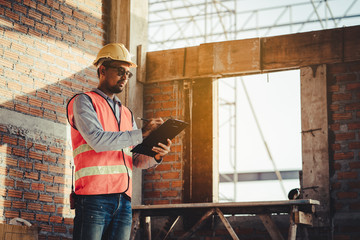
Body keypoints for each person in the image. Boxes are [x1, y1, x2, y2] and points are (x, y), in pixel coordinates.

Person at [66, 43, 172, 240]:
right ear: (103, 70)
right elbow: (97, 140)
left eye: (128, 74)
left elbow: (136, 159)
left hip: (123, 200)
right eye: (120, 71)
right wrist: (143, 133)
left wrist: (156, 155)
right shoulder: (83, 101)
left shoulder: (126, 113)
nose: (125, 77)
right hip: (93, 198)